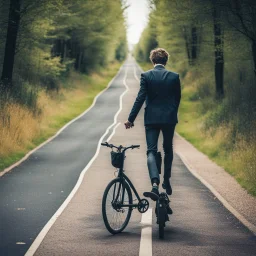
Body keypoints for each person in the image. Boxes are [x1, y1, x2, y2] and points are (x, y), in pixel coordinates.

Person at [124, 48, 181, 214]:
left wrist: (131, 119)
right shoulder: (174, 77)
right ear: (166, 61)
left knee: (151, 151)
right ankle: (167, 180)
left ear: (152, 61)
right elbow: (177, 99)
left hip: (151, 119)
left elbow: (140, 98)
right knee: (168, 149)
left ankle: (155, 185)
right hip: (169, 119)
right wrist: (171, 112)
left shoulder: (146, 76)